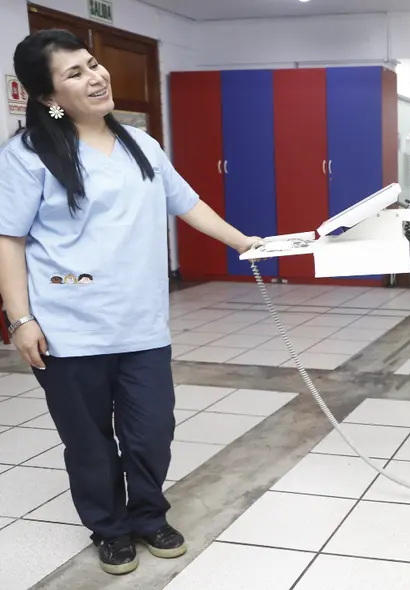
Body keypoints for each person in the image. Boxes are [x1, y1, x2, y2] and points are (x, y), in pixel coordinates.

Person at [0, 29, 263, 576]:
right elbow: (10, 239)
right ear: (48, 98)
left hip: (142, 325)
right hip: (67, 328)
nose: (95, 76)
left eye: (93, 64)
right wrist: (20, 318)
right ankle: (110, 528)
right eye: (74, 73)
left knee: (151, 432)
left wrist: (243, 242)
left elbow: (186, 202)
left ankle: (148, 515)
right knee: (89, 441)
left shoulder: (142, 145)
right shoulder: (27, 156)